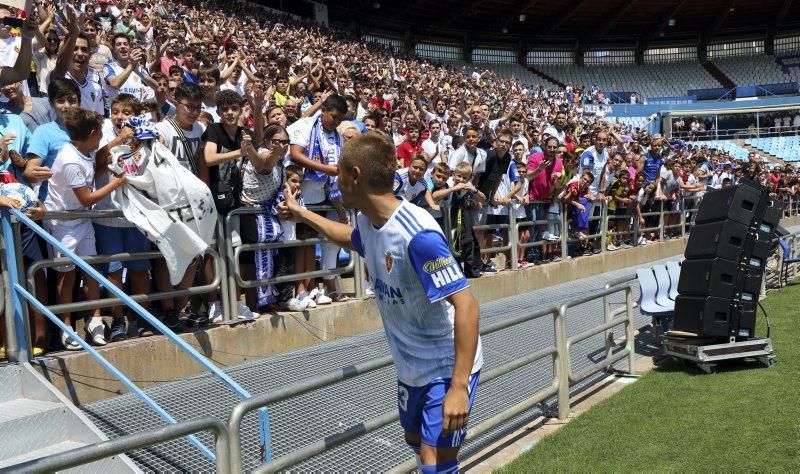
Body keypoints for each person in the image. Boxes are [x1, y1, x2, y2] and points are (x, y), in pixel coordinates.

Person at [279, 133, 482, 474]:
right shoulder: (365, 219)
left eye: (338, 171)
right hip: (411, 365)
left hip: (446, 363)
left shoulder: (418, 236)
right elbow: (352, 238)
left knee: (437, 462)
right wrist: (302, 214)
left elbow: (467, 305)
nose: (335, 179)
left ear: (354, 176)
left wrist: (459, 386)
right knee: (416, 442)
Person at [43, 108, 127, 350]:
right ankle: (66, 325)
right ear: (92, 133)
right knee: (67, 276)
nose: (102, 137)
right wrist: (117, 182)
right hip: (63, 223)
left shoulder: (84, 152)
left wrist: (109, 166)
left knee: (92, 270)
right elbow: (87, 198)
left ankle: (96, 318)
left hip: (82, 220)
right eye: (101, 133)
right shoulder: (70, 159)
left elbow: (90, 175)